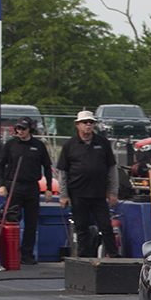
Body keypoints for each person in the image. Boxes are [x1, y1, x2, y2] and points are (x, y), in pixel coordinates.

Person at [57, 110, 120, 258]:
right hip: (78, 193)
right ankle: (83, 257)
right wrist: (63, 195)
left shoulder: (102, 142)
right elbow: (62, 172)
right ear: (78, 124)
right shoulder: (70, 145)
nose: (88, 125)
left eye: (91, 122)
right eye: (85, 122)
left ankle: (113, 255)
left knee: (106, 226)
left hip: (98, 194)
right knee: (81, 227)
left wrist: (113, 192)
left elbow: (111, 169)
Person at [0, 117, 54, 265]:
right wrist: (1, 185)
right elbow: (0, 165)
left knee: (31, 222)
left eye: (23, 129)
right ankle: (9, 253)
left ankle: (26, 254)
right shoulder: (10, 144)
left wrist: (48, 188)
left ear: (30, 130)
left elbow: (47, 167)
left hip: (32, 187)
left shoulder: (39, 145)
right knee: (12, 219)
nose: (20, 131)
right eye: (18, 129)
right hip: (14, 185)